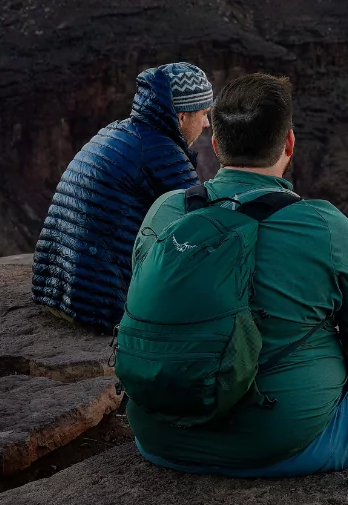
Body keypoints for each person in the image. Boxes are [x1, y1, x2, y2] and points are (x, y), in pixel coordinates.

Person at [123, 73, 348, 481]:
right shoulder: (322, 225)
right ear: (289, 143)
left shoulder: (168, 210)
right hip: (276, 440)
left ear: (215, 145)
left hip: (158, 434)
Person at [31, 61, 213, 330]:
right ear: (182, 117)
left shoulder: (118, 132)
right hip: (101, 305)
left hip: (56, 291)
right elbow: (198, 228)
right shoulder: (161, 151)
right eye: (203, 113)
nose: (207, 124)